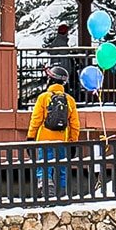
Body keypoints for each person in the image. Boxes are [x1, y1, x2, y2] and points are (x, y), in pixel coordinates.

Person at [27, 65, 80, 197]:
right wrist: (73, 141)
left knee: (45, 166)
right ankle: (62, 193)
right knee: (62, 168)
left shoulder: (43, 98)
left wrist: (30, 137)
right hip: (62, 140)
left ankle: (47, 190)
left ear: (50, 80)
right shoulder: (70, 100)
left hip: (44, 139)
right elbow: (75, 124)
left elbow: (36, 120)